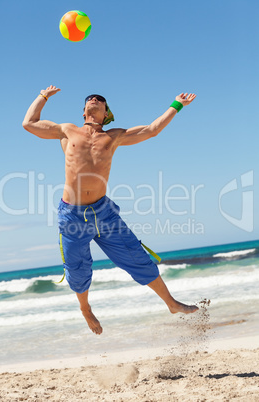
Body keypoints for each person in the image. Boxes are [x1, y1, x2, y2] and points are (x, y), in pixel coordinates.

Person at [23, 86, 198, 335]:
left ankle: (171, 303)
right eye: (90, 99)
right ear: (84, 110)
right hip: (72, 215)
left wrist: (177, 105)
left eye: (100, 100)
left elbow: (152, 130)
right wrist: (42, 96)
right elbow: (29, 123)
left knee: (136, 257)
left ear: (106, 113)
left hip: (104, 213)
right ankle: (85, 309)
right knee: (77, 268)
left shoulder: (114, 136)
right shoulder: (66, 130)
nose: (94, 99)